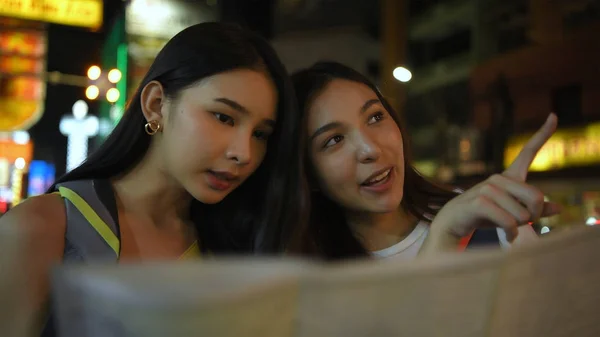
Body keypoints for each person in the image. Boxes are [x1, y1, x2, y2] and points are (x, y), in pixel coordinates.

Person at [0, 22, 308, 335]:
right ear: (156, 104)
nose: (244, 153)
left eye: (260, 134)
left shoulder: (234, 249)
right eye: (224, 117)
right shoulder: (42, 228)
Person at [291, 61, 560, 260]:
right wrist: (444, 236)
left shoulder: (484, 217)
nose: (369, 149)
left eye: (375, 117)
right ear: (308, 173)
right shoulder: (309, 280)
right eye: (334, 140)